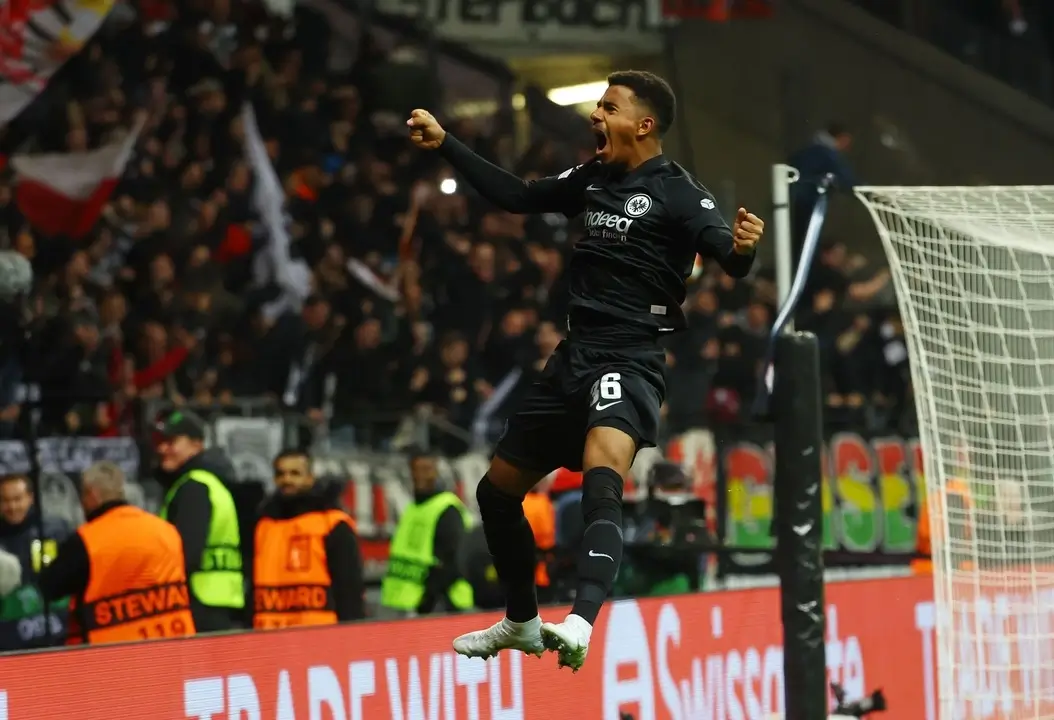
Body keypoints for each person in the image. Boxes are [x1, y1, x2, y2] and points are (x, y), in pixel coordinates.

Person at [407, 69, 764, 670]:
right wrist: (447, 143)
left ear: (643, 125)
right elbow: (518, 196)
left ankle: (580, 620)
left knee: (602, 479)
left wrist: (744, 249)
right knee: (496, 492)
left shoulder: (677, 190)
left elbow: (728, 256)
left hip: (630, 356)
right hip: (573, 357)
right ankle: (521, 622)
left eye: (608, 107)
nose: (596, 115)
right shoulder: (593, 177)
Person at [39, 462, 196, 645]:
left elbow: (49, 587)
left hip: (111, 653)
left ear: (92, 494)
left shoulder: (87, 540)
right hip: (175, 644)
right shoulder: (165, 530)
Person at [253, 449, 365, 628]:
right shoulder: (264, 526)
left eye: (295, 473)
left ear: (310, 478)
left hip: (320, 635)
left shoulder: (332, 523)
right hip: (269, 635)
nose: (287, 479)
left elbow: (349, 589)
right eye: (280, 474)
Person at [155, 410, 246, 632]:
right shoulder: (211, 481)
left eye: (172, 442)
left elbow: (187, 553)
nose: (162, 449)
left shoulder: (193, 487)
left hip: (197, 601)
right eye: (161, 442)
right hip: (219, 599)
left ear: (196, 445)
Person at [379, 449, 474, 616]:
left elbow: (453, 562)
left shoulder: (447, 509)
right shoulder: (412, 509)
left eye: (427, 469)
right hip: (404, 606)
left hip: (442, 607)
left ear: (437, 473)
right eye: (416, 469)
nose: (421, 475)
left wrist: (426, 601)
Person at [0, 474, 74, 650]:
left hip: (58, 623)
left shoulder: (56, 529)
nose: (12, 507)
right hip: (9, 630)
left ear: (30, 498)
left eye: (17, 499)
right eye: (5, 501)